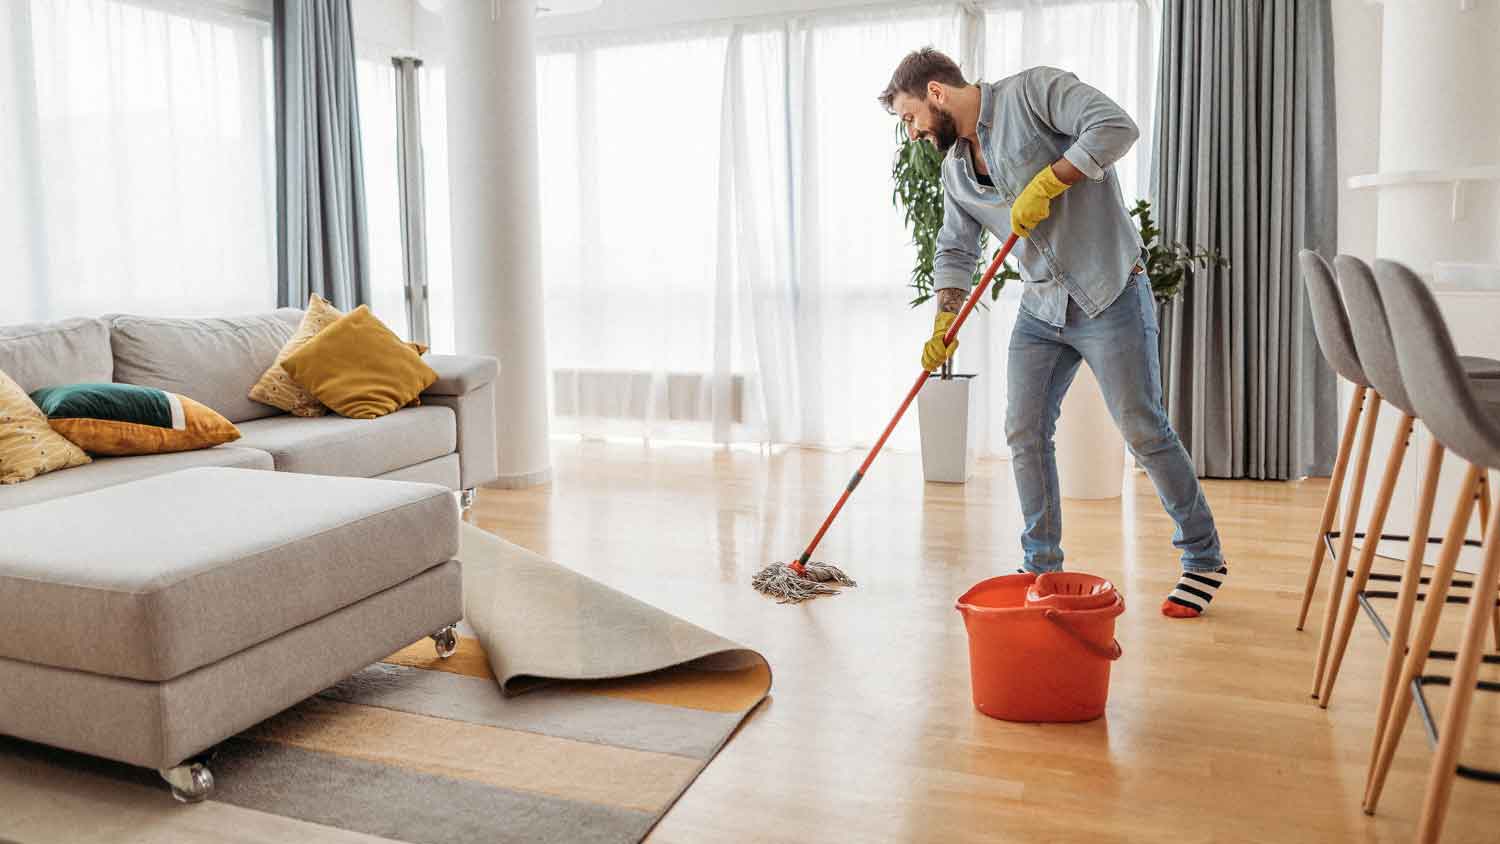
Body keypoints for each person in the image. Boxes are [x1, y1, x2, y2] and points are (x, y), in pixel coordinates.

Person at [879, 47, 1227, 618]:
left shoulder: (1032, 93)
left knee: (1144, 429)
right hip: (1041, 307)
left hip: (1108, 288)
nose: (913, 133)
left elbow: (1116, 126)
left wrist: (1052, 178)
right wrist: (946, 315)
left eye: (910, 117)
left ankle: (1202, 557)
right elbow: (956, 247)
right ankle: (1042, 563)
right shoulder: (955, 171)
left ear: (936, 93)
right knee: (1023, 430)